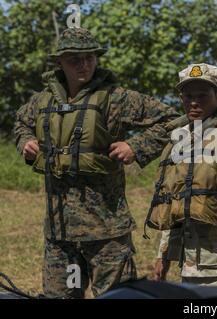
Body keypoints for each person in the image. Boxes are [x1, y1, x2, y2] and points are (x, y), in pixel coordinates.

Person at [14, 27, 179, 298]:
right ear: (59, 62)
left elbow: (171, 119)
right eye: (75, 59)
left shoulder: (116, 98)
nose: (84, 64)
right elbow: (21, 123)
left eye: (90, 57)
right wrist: (26, 143)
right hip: (60, 234)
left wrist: (135, 146)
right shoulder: (43, 101)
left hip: (107, 232)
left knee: (117, 297)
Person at [147, 63, 217, 298]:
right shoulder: (182, 139)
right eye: (188, 96)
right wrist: (164, 254)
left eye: (202, 95)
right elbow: (175, 201)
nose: (194, 102)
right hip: (188, 263)